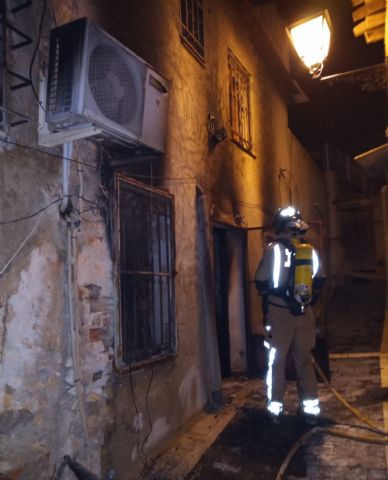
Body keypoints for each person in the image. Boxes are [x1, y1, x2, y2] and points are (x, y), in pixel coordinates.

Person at [255, 206, 325, 423]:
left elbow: (260, 281)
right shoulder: (310, 251)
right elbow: (320, 281)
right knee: (305, 361)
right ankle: (310, 409)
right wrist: (304, 304)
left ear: (280, 227)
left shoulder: (273, 250)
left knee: (276, 363)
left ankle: (275, 409)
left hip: (280, 315)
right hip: (304, 315)